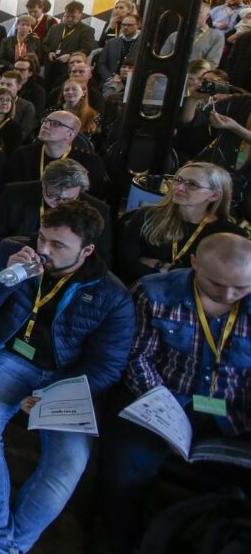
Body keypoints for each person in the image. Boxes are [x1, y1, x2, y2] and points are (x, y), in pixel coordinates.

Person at [0, 200, 133, 554]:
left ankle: (11, 546)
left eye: (58, 245)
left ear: (86, 251)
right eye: (42, 237)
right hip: (7, 358)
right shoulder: (13, 251)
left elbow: (106, 367)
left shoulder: (111, 295)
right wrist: (4, 279)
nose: (43, 250)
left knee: (70, 462)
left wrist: (54, 393)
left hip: (65, 378)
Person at [100, 233, 251, 552]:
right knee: (122, 473)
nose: (228, 295)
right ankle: (122, 543)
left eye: (241, 288)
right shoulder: (154, 292)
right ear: (194, 263)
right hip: (162, 398)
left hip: (234, 410)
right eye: (215, 284)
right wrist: (164, 413)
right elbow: (138, 358)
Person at [116, 162, 242, 284]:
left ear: (214, 196)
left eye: (192, 184)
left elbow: (218, 280)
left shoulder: (230, 235)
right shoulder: (146, 216)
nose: (179, 188)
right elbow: (125, 263)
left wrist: (162, 267)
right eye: (178, 180)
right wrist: (184, 274)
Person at [0, 158, 112, 263]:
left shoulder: (98, 210)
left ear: (80, 192)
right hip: (16, 261)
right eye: (52, 195)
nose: (59, 203)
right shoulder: (14, 194)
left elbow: (102, 258)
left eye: (68, 199)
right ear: (43, 184)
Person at [4, 110, 108, 196]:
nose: (45, 125)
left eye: (55, 124)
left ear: (70, 134)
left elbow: (93, 200)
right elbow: (10, 191)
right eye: (45, 121)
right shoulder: (22, 155)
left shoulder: (90, 162)